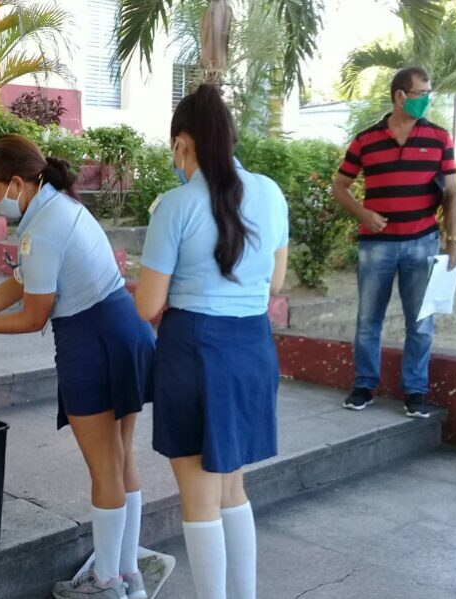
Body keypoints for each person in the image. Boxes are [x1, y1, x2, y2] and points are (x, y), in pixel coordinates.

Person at [0, 135, 155, 599]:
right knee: (122, 459)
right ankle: (128, 572)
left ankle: (105, 582)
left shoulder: (44, 226)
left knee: (105, 469)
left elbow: (33, 318)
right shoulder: (57, 208)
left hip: (92, 343)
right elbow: (21, 282)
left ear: (17, 182)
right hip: (125, 331)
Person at [135, 84, 289, 599]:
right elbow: (275, 285)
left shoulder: (175, 206)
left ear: (184, 143)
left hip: (194, 350)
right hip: (251, 347)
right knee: (231, 488)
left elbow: (148, 306)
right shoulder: (270, 192)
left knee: (198, 497)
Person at [333, 66, 456, 418]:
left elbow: (452, 191)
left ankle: (415, 391)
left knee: (421, 322)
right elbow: (339, 186)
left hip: (422, 243)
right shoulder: (365, 140)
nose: (427, 99)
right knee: (367, 320)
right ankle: (363, 386)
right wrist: (363, 214)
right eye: (422, 93)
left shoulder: (439, 138)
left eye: (428, 92)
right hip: (376, 246)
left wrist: (454, 238)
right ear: (400, 95)